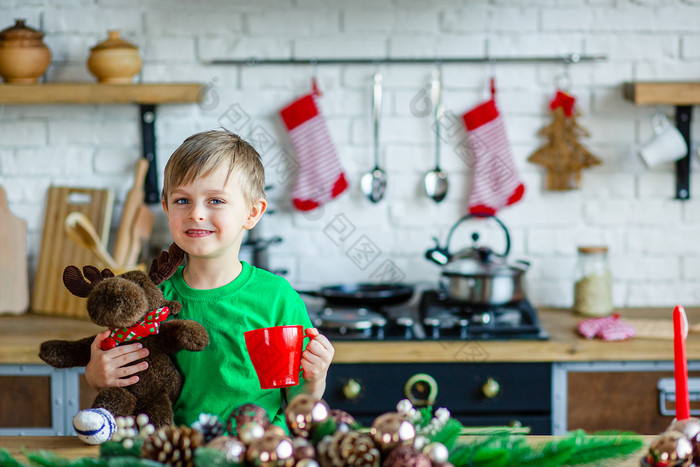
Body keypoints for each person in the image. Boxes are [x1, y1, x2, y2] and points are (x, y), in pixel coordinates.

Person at [81, 129, 334, 435]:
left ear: (253, 213)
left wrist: (315, 378)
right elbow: (122, 390)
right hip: (170, 452)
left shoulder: (277, 300)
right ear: (166, 207)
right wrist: (96, 375)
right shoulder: (150, 299)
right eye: (183, 200)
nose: (196, 214)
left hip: (255, 452)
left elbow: (296, 405)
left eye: (215, 200)